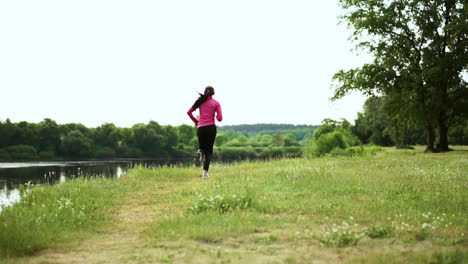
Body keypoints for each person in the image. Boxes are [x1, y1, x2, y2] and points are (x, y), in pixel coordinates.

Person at [187, 86, 223, 178]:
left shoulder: (200, 101)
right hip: (210, 128)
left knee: (202, 148)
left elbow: (189, 112)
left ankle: (199, 152)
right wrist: (214, 115)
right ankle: (205, 174)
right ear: (213, 93)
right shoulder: (216, 103)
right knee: (209, 151)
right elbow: (220, 119)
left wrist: (196, 121)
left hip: (201, 128)